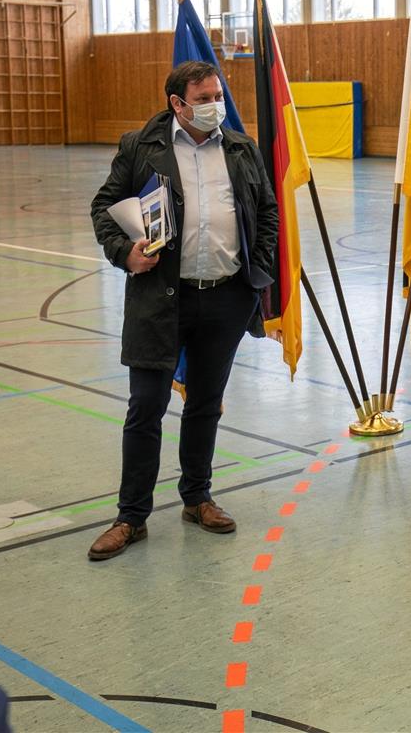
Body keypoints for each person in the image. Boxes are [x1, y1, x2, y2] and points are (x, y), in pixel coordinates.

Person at [88, 61, 279, 560]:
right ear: (178, 103)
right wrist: (123, 253)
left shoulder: (240, 148)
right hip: (159, 301)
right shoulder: (141, 147)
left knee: (205, 403)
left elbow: (266, 211)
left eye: (219, 93)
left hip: (226, 297)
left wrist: (256, 272)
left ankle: (197, 497)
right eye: (205, 96)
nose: (217, 103)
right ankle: (131, 516)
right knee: (146, 407)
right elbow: (104, 205)